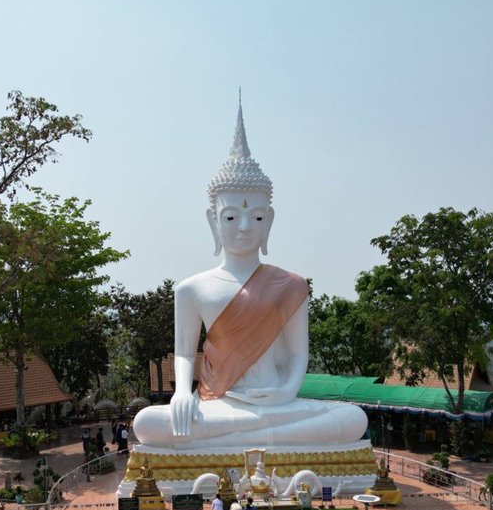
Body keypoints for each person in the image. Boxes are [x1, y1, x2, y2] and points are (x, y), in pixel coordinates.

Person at [130, 103, 368, 449]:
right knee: (147, 423)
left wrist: (285, 392)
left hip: (278, 403)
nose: (244, 227)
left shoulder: (291, 286)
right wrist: (181, 393)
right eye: (231, 218)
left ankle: (239, 438)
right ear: (213, 221)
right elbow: (184, 354)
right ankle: (262, 437)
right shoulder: (192, 289)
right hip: (218, 402)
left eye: (256, 218)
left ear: (269, 221)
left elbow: (297, 355)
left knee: (354, 418)